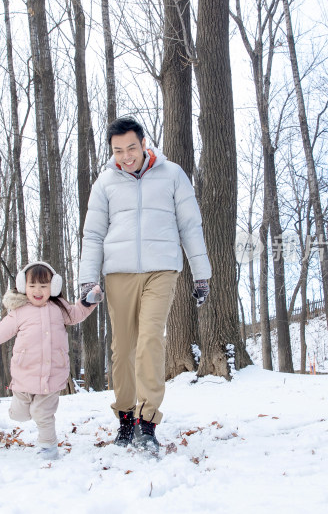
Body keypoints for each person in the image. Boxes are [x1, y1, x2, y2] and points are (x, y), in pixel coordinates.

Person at [78, 117, 212, 455]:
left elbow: (190, 225)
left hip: (161, 269)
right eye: (118, 150)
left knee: (150, 339)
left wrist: (201, 273)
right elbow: (93, 234)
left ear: (144, 143)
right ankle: (125, 417)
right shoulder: (105, 182)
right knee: (123, 349)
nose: (126, 156)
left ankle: (147, 420)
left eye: (131, 148)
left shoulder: (172, 175)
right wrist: (88, 279)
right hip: (119, 272)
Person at [0, 262, 103, 460]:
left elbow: (77, 314)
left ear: (54, 287)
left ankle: (48, 449)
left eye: (44, 286)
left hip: (53, 375)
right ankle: (23, 413)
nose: (38, 291)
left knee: (42, 414)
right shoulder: (19, 312)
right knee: (19, 415)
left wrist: (89, 301)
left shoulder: (59, 308)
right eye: (32, 286)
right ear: (24, 287)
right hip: (24, 375)